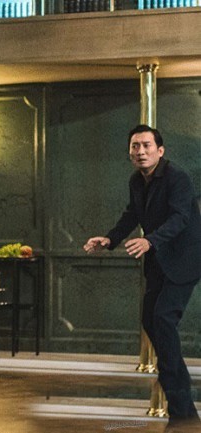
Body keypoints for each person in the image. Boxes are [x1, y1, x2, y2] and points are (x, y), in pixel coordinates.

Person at [84, 125, 201, 432]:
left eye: (147, 145)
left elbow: (180, 218)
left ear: (160, 151)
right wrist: (110, 239)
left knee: (162, 319)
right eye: (135, 146)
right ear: (129, 152)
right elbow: (131, 215)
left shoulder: (178, 178)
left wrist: (150, 240)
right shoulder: (136, 181)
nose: (140, 151)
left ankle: (182, 413)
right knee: (152, 321)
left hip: (184, 261)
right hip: (159, 262)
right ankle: (184, 408)